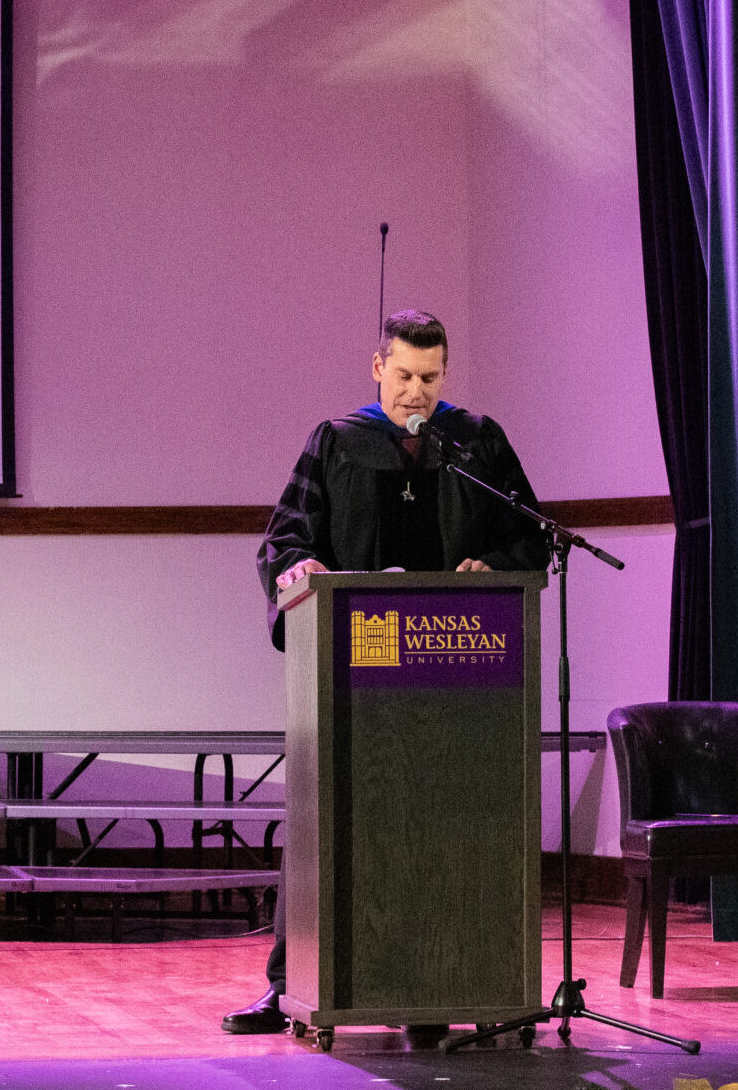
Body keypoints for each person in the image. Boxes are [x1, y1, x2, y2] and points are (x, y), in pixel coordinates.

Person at [222, 309, 549, 1037]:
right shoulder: (337, 440)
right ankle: (290, 987)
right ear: (377, 368)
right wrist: (297, 566)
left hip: (459, 676)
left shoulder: (475, 440)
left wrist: (494, 565)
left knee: (450, 822)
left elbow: (529, 529)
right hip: (353, 671)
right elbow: (284, 537)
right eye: (402, 375)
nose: (415, 392)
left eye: (429, 378)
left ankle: (449, 984)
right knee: (326, 819)